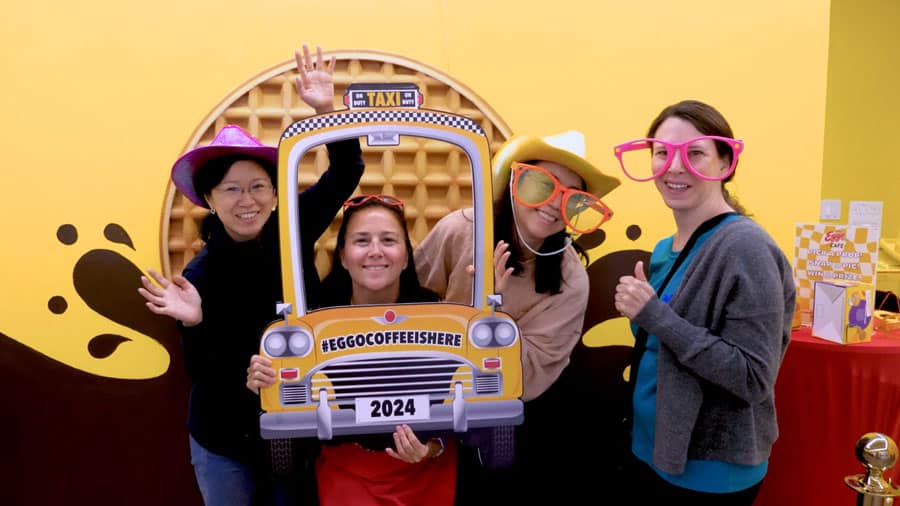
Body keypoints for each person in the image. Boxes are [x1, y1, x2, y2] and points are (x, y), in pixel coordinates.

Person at [138, 45, 364, 505]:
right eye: (233, 189)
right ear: (210, 198)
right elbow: (201, 371)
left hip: (294, 428)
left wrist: (325, 108)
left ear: (275, 192)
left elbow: (347, 170)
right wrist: (195, 322)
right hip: (224, 440)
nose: (248, 200)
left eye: (259, 186)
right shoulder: (200, 272)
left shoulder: (292, 225)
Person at [412, 130, 620, 503]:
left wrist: (492, 313)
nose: (555, 204)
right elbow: (409, 312)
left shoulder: (570, 279)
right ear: (515, 181)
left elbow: (528, 378)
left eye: (572, 197)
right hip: (423, 404)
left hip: (505, 428)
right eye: (543, 183)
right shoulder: (460, 230)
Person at [612, 99, 795, 505]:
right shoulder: (665, 248)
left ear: (725, 162)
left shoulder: (746, 247)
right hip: (652, 448)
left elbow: (752, 377)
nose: (675, 167)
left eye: (694, 153)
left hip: (710, 469)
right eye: (662, 153)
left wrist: (655, 315)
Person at [246, 194, 457, 506]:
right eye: (361, 240)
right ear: (343, 256)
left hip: (426, 474)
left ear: (406, 256)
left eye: (388, 240)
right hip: (345, 475)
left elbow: (462, 406)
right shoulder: (311, 324)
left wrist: (431, 448)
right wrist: (265, 384)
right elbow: (291, 415)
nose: (375, 251)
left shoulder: (443, 318)